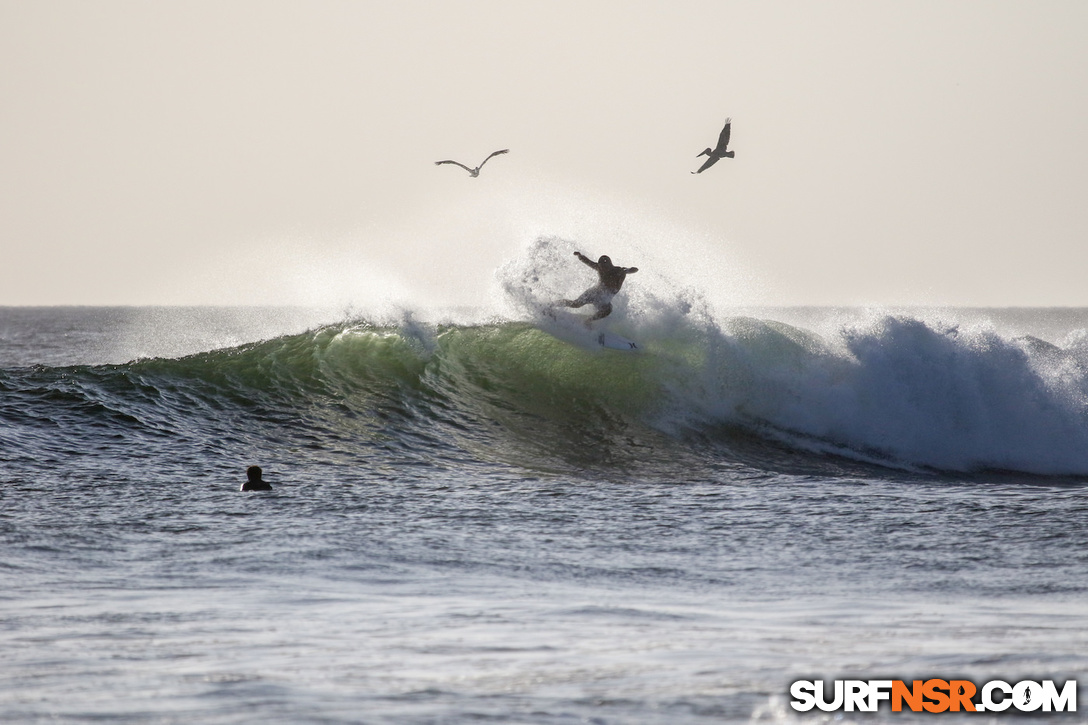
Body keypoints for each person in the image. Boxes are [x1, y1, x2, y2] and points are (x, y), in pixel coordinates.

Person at [558, 252, 638, 322]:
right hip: (593, 293)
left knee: (608, 310)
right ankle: (551, 305)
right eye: (601, 267)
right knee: (575, 304)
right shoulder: (599, 268)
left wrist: (628, 270)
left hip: (602, 299)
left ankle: (588, 321)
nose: (603, 269)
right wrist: (580, 255)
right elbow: (588, 262)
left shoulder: (619, 271)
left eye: (605, 267)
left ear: (610, 265)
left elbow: (635, 269)